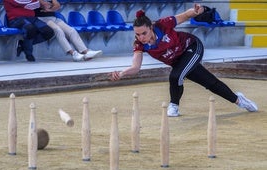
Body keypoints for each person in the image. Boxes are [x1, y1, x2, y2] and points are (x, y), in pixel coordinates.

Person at [110, 4, 258, 117]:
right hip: (180, 62)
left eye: (144, 33)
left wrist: (197, 10)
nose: (141, 37)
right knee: (210, 83)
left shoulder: (163, 24)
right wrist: (122, 74)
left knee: (175, 76)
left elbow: (186, 15)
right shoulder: (139, 44)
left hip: (192, 47)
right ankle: (239, 100)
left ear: (151, 27)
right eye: (137, 34)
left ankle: (174, 105)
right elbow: (135, 67)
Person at [34, 0, 102, 61]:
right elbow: (43, 4)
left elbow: (57, 6)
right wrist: (48, 5)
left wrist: (50, 9)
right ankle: (73, 53)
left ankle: (86, 52)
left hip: (53, 17)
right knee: (58, 30)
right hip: (41, 19)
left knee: (71, 30)